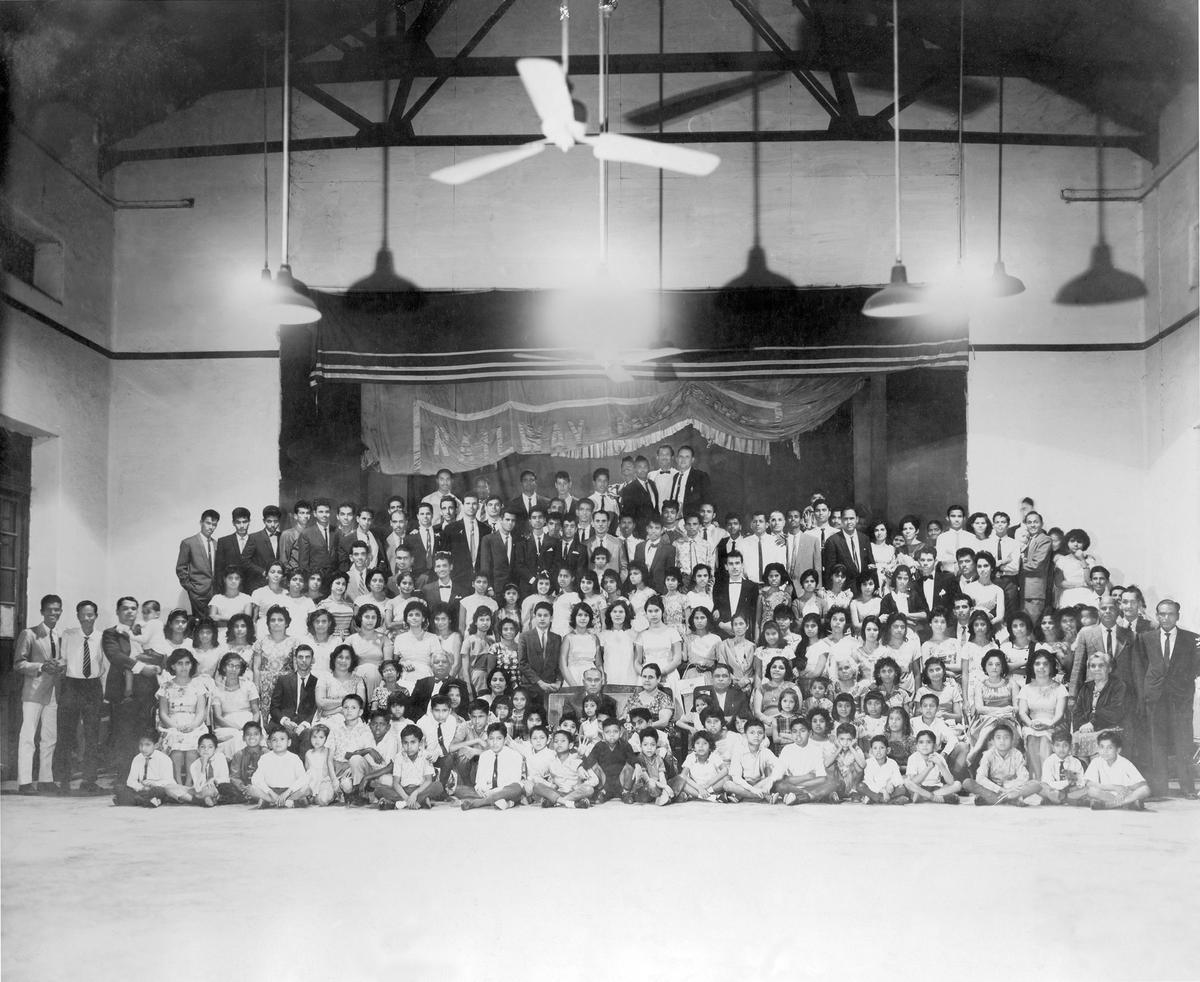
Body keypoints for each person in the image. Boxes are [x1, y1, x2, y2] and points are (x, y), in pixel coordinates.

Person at [1137, 599, 1198, 799]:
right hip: (1155, 698)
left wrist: (1184, 680)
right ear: (1156, 615)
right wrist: (1147, 691)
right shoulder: (1146, 638)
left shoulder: (1192, 639)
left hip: (1180, 699)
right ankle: (1160, 787)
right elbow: (1141, 667)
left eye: (1170, 614)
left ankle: (1188, 788)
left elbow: (1197, 667)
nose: (1166, 618)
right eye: (1162, 614)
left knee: (1183, 742)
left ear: (1178, 616)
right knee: (1157, 744)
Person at [51, 599, 105, 794]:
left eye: (90, 615)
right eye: (83, 615)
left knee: (92, 736)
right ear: (78, 616)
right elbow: (63, 660)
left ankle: (89, 780)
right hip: (72, 685)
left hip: (92, 687)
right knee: (66, 734)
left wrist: (103, 692)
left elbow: (103, 665)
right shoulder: (68, 635)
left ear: (96, 616)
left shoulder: (102, 637)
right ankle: (63, 780)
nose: (87, 618)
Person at [14, 593, 64, 794]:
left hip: (53, 693)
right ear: (42, 611)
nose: (54, 613)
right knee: (27, 736)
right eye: (50, 609)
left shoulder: (60, 635)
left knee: (49, 737)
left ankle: (46, 779)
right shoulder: (29, 633)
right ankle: (24, 782)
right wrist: (42, 666)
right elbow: (19, 663)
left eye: (57, 609)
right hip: (33, 693)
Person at [157, 650, 210, 785]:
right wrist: (175, 726)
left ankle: (189, 781)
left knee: (192, 744)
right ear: (173, 666)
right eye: (179, 663)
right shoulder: (166, 686)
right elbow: (163, 713)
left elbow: (200, 712)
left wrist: (192, 726)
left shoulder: (198, 685)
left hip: (194, 723)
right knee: (176, 742)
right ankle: (177, 781)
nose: (184, 667)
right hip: (172, 724)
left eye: (187, 663)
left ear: (192, 665)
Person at [963, 723, 1041, 806]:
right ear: (993, 741)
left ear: (1012, 741)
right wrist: (1000, 789)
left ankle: (996, 799)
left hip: (1013, 788)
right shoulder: (988, 754)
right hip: (993, 789)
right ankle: (1010, 799)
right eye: (998, 738)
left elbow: (1024, 776)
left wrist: (1009, 788)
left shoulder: (1017, 754)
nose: (1002, 741)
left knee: (1036, 784)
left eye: (1006, 738)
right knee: (967, 783)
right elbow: (980, 777)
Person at [1017, 650, 1067, 776]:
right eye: (1037, 664)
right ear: (1032, 667)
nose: (1041, 667)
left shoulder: (1060, 688)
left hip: (1054, 725)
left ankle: (1047, 780)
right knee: (1031, 737)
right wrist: (1031, 724)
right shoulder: (1026, 689)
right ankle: (1037, 779)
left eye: (1045, 664)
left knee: (1045, 739)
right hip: (1032, 724)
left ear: (1051, 666)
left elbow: (1060, 714)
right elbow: (1022, 713)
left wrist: (1049, 726)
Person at [1071, 651, 1128, 760]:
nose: (1096, 669)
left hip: (1111, 728)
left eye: (1101, 665)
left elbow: (1116, 711)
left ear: (1109, 668)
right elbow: (1077, 712)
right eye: (1093, 666)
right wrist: (1080, 728)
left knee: (1097, 754)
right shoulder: (1086, 688)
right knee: (1078, 744)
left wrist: (1092, 723)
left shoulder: (1118, 686)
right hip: (1087, 731)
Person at [773, 717, 839, 804]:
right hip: (793, 787)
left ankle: (801, 798)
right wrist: (808, 776)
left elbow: (822, 778)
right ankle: (819, 796)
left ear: (810, 733)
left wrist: (796, 782)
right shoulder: (787, 749)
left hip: (810, 785)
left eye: (802, 731)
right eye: (794, 731)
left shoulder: (816, 750)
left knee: (834, 783)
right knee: (779, 785)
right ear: (791, 734)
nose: (798, 735)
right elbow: (781, 778)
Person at [113, 733, 190, 807]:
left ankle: (138, 800)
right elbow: (131, 781)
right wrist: (141, 787)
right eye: (141, 745)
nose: (143, 748)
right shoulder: (137, 758)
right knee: (118, 788)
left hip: (157, 789)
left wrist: (154, 783)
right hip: (142, 789)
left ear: (156, 745)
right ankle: (149, 801)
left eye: (147, 745)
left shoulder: (164, 759)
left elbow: (169, 781)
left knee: (158, 791)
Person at [1082, 730, 1151, 811]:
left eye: (1110, 748)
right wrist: (1113, 787)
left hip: (1125, 795)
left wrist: (1125, 789)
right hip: (1107, 794)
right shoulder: (1096, 761)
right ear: (1098, 748)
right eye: (1102, 747)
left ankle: (1110, 805)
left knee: (1145, 789)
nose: (1105, 751)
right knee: (1091, 791)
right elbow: (1088, 783)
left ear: (1118, 750)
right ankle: (1128, 803)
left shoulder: (1125, 763)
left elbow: (1142, 783)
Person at [528, 729, 597, 808]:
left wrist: (580, 786)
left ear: (570, 745)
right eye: (556, 741)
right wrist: (550, 785)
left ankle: (558, 802)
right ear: (553, 745)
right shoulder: (551, 762)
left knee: (589, 789)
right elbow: (536, 776)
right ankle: (569, 803)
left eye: (563, 741)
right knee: (537, 786)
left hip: (575, 792)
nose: (559, 743)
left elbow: (594, 780)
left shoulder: (577, 759)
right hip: (558, 793)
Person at [269, 643, 319, 752]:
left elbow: (315, 708)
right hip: (282, 722)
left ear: (312, 660)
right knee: (289, 735)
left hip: (304, 724)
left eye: (307, 657)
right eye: (300, 657)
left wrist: (305, 724)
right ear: (295, 659)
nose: (304, 660)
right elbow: (274, 707)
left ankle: (302, 768)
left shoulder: (317, 683)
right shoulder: (283, 680)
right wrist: (284, 721)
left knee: (308, 734)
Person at [210, 653, 260, 755]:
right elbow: (217, 717)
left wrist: (251, 727)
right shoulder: (217, 690)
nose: (233, 669)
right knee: (238, 737)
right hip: (226, 726)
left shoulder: (249, 685)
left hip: (248, 723)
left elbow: (256, 712)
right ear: (224, 667)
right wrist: (237, 727)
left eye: (237, 666)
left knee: (250, 736)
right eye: (230, 665)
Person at [249, 726, 311, 808]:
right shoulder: (265, 758)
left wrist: (287, 792)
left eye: (282, 739)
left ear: (289, 742)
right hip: (271, 791)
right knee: (251, 789)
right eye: (274, 740)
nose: (278, 742)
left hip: (289, 791)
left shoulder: (294, 758)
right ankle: (285, 802)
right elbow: (256, 778)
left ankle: (272, 802)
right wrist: (270, 792)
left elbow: (303, 778)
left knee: (306, 789)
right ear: (269, 743)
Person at [176, 509, 220, 618]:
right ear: (201, 522)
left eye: (214, 525)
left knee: (213, 622)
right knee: (200, 623)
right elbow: (181, 568)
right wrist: (191, 588)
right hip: (197, 592)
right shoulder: (188, 543)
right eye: (208, 523)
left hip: (214, 592)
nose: (211, 527)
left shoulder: (217, 544)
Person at [582, 716, 638, 801]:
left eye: (615, 731)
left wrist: (638, 766)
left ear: (620, 733)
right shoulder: (599, 745)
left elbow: (633, 758)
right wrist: (580, 767)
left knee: (630, 764)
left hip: (621, 781)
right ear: (603, 734)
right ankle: (602, 792)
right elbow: (590, 759)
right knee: (593, 764)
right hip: (605, 783)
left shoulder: (625, 745)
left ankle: (625, 792)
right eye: (607, 732)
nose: (612, 734)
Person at [903, 729, 962, 803]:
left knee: (957, 784)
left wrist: (940, 764)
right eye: (921, 742)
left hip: (936, 788)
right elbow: (914, 781)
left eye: (928, 742)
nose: (925, 745)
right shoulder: (913, 758)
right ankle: (934, 797)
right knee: (907, 781)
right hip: (919, 787)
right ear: (917, 746)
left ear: (934, 746)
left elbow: (950, 781)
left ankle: (927, 797)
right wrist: (928, 768)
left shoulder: (939, 758)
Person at [1019, 511, 1053, 621]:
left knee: (1032, 624)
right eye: (1029, 522)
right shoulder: (1028, 539)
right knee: (1024, 625)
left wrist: (1016, 565)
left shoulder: (1044, 539)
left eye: (1036, 522)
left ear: (1041, 524)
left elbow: (1036, 565)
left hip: (1034, 591)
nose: (1032, 525)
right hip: (1023, 589)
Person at [1038, 730, 1086, 805]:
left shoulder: (1075, 762)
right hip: (1053, 789)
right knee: (1041, 786)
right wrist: (1066, 783)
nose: (1061, 749)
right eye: (1057, 745)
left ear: (1070, 747)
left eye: (1065, 745)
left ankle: (1058, 799)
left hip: (1070, 790)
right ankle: (1059, 798)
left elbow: (1080, 782)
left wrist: (1071, 786)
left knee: (1084, 789)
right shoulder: (1049, 761)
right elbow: (1048, 782)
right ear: (1052, 747)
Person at [188, 733, 235, 807]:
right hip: (203, 789)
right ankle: (210, 798)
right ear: (198, 749)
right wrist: (203, 767)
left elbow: (225, 778)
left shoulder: (220, 757)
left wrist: (214, 780)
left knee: (229, 789)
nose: (206, 750)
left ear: (215, 749)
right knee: (195, 791)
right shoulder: (194, 765)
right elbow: (198, 787)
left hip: (219, 787)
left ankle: (208, 798)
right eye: (202, 747)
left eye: (210, 747)